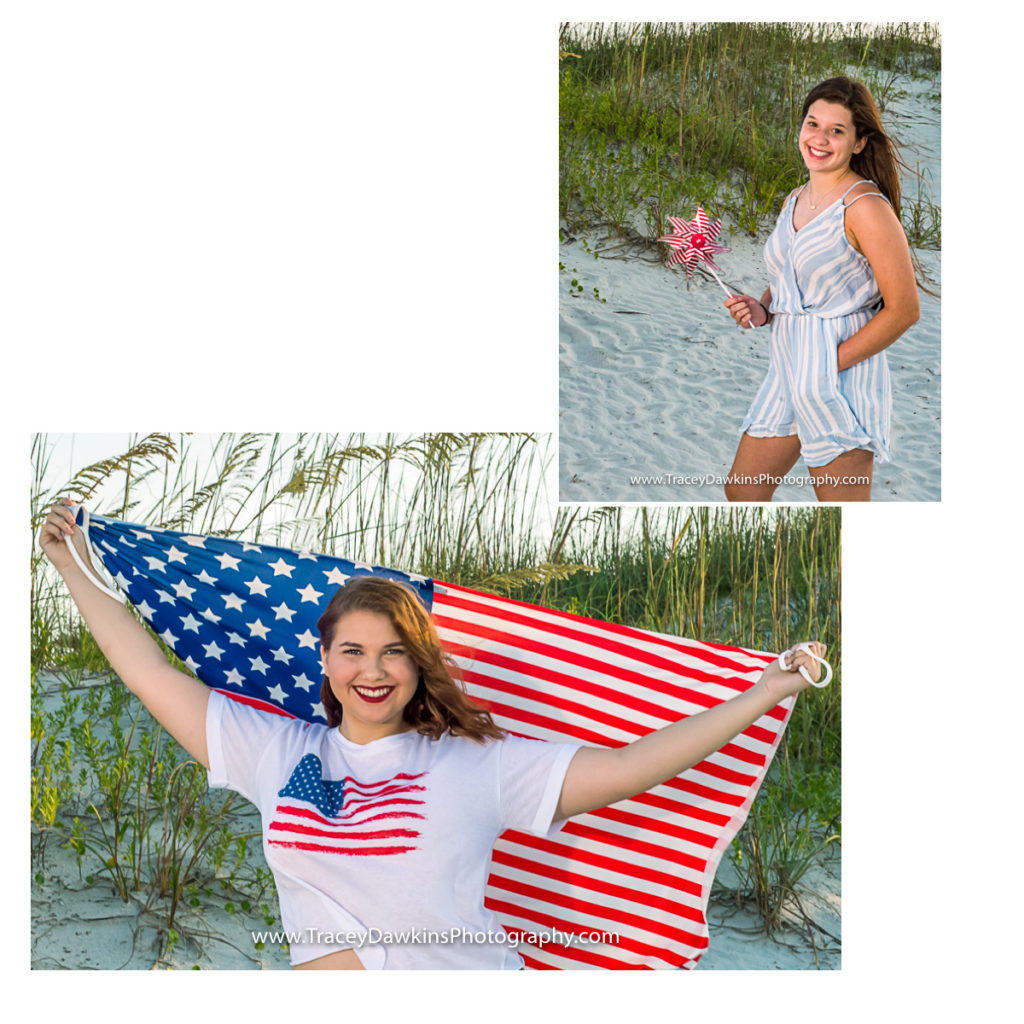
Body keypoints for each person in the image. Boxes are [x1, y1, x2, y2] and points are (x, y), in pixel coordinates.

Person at [39, 500, 827, 970]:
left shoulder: (475, 765)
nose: (372, 671)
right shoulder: (274, 750)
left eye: (394, 653)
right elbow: (149, 673)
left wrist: (767, 690)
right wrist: (73, 564)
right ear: (324, 657)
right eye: (352, 651)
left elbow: (632, 768)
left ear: (420, 665)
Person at [723, 76, 920, 502]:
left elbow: (904, 309)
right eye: (813, 124)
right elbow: (789, 275)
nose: (820, 139)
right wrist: (763, 307)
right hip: (788, 366)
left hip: (839, 374)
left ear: (859, 143)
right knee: (742, 492)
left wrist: (827, 363)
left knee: (842, 511)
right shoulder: (795, 198)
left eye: (837, 130)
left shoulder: (865, 207)